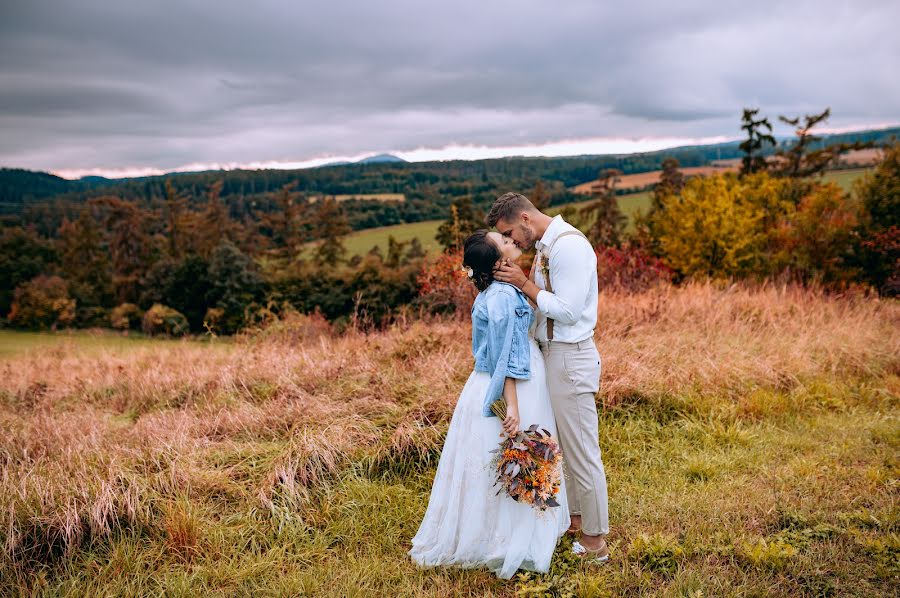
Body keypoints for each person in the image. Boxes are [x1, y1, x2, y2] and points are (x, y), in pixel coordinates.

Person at [408, 229, 570, 580]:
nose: (514, 242)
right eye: (506, 242)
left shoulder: (497, 291)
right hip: (513, 383)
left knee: (505, 458)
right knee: (517, 454)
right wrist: (511, 405)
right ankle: (510, 536)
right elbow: (503, 358)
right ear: (498, 262)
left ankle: (511, 528)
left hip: (507, 377)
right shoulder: (501, 297)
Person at [489, 192, 610, 563]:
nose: (513, 241)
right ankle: (576, 520)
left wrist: (525, 285)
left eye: (511, 232)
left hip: (571, 358)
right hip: (553, 356)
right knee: (566, 449)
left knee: (583, 453)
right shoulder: (546, 245)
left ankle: (595, 542)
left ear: (525, 218)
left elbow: (569, 311)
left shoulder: (568, 247)